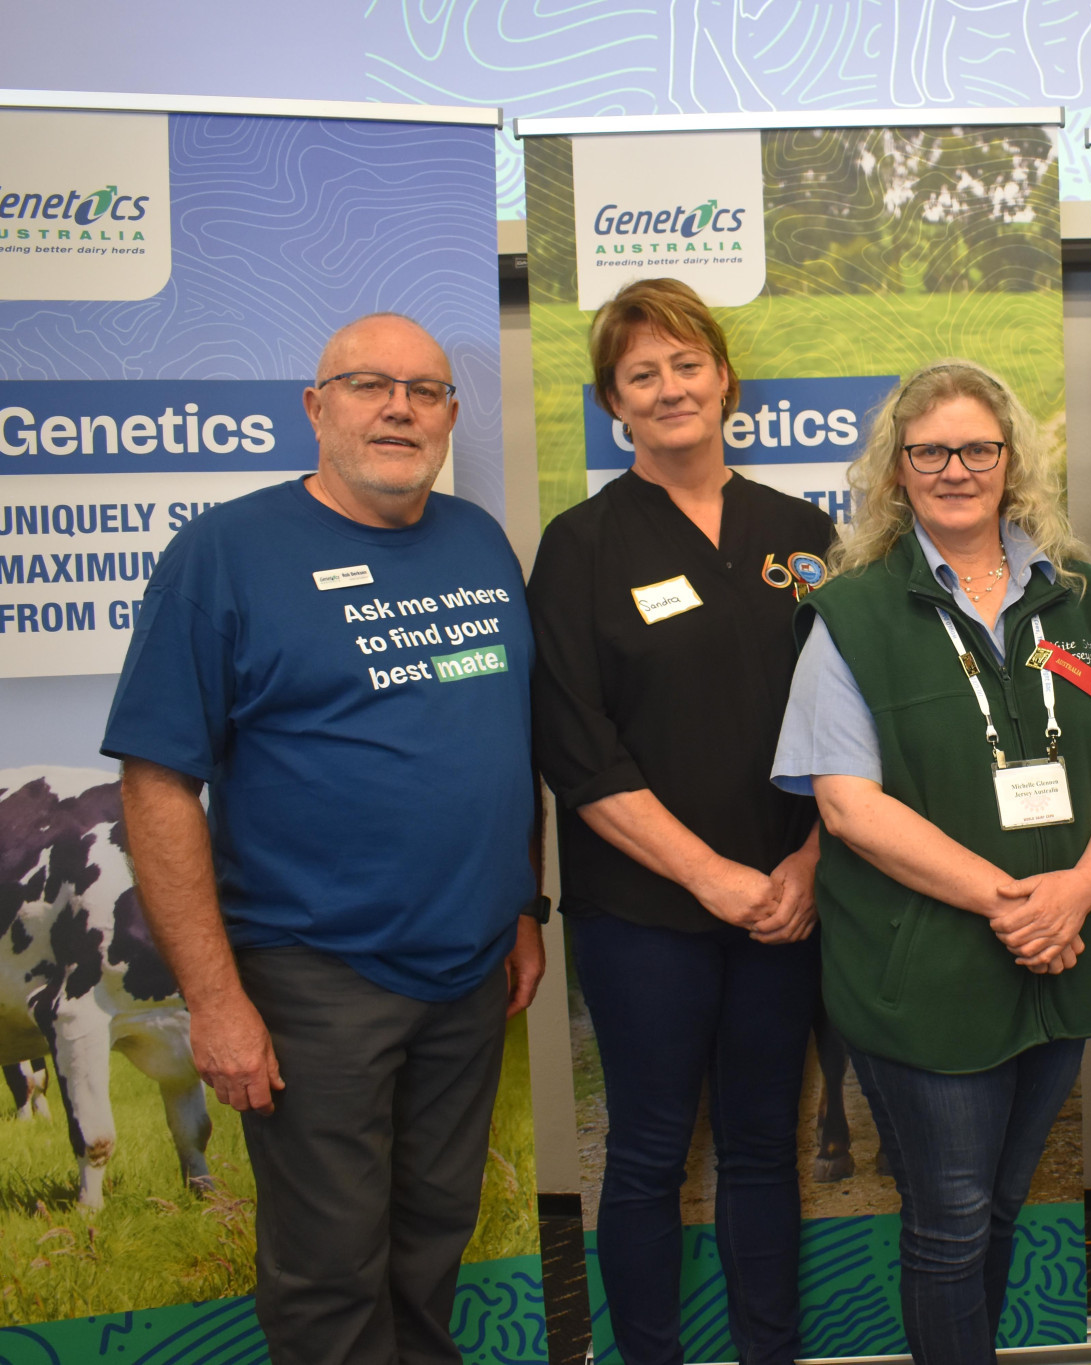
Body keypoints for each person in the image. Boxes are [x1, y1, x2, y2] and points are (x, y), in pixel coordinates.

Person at [102, 313, 547, 1365]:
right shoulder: (226, 554)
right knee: (329, 1272)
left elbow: (500, 742)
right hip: (314, 981)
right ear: (316, 407)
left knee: (435, 1237)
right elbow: (158, 784)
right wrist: (214, 1002)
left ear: (448, 417)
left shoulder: (477, 541)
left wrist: (521, 907)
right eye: (367, 384)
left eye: (426, 390)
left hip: (470, 971)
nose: (399, 407)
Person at [772, 359, 1091, 1364]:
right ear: (896, 471)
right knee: (947, 1222)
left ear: (1010, 462)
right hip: (923, 972)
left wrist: (1074, 894)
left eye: (976, 448)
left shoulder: (1074, 601)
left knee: (996, 1207)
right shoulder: (852, 616)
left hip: (1061, 956)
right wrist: (1016, 905)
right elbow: (849, 808)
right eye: (929, 451)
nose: (954, 468)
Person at [526, 277, 833, 1365]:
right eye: (640, 374)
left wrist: (804, 863)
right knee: (650, 1153)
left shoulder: (802, 535)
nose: (668, 389)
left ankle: (768, 1353)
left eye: (685, 365)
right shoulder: (582, 545)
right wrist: (709, 876)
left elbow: (853, 723)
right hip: (644, 914)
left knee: (763, 1150)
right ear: (614, 403)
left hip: (789, 909)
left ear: (723, 379)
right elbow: (574, 744)